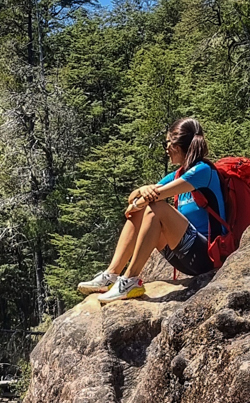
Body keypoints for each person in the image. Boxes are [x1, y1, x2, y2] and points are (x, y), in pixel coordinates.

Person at [78, 117, 227, 303]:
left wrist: (141, 199)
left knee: (156, 208)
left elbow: (154, 197)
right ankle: (111, 276)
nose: (166, 149)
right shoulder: (177, 175)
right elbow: (133, 199)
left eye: (167, 143)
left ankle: (130, 280)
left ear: (177, 144)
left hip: (207, 257)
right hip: (186, 258)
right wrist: (141, 191)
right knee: (142, 210)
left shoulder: (203, 171)